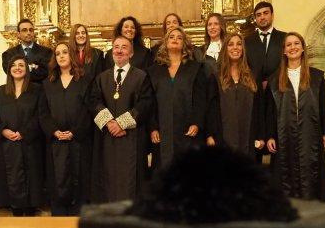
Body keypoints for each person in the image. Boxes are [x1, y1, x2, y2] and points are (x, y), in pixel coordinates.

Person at [265, 32, 325, 202]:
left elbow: (323, 106)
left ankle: (312, 209)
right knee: (285, 172)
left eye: (296, 44)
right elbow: (270, 111)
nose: (292, 47)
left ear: (302, 49)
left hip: (310, 130)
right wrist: (270, 135)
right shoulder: (274, 79)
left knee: (310, 168)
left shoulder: (316, 77)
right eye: (288, 45)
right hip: (284, 132)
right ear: (284, 51)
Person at [89, 36, 154, 202]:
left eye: (124, 47)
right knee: (107, 179)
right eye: (116, 47)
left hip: (132, 139)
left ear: (131, 53)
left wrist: (121, 123)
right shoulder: (101, 78)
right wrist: (109, 122)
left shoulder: (141, 77)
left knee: (130, 181)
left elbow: (145, 104)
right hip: (107, 139)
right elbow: (93, 101)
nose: (119, 50)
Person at [39, 42, 93, 216]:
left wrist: (74, 132)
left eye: (65, 52)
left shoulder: (84, 80)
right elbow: (43, 113)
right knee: (58, 181)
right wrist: (54, 131)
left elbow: (88, 110)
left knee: (79, 181)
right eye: (57, 54)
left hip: (78, 141)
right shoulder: (48, 83)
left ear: (72, 55)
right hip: (56, 143)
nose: (61, 56)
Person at [147, 27, 207, 168]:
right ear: (165, 42)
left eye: (179, 38)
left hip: (187, 129)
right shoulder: (153, 71)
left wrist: (196, 122)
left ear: (184, 44)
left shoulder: (195, 68)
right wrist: (153, 127)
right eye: (171, 37)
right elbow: (150, 102)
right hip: (162, 131)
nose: (175, 39)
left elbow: (200, 99)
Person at [0, 55, 44, 216]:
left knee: (31, 184)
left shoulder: (37, 90)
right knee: (12, 185)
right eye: (13, 65)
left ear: (27, 69)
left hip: (30, 144)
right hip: (7, 146)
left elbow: (40, 115)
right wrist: (3, 131)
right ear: (9, 70)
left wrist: (24, 132)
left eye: (21, 65)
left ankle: (30, 215)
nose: (17, 68)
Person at [206, 33, 265, 158]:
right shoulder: (216, 76)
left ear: (243, 49)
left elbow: (260, 108)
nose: (235, 47)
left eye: (239, 44)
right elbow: (211, 109)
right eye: (231, 44)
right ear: (225, 49)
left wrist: (261, 136)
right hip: (223, 137)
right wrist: (210, 135)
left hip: (249, 137)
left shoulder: (253, 75)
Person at [244, 1, 286, 92]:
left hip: (279, 89)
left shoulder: (284, 38)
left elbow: (287, 63)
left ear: (272, 15)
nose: (262, 17)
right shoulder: (246, 41)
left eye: (265, 13)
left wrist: (273, 81)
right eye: (258, 15)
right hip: (254, 90)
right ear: (255, 18)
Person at [2, 19, 53, 83]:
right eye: (24, 30)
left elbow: (45, 72)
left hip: (39, 90)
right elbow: (10, 73)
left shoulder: (46, 52)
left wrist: (22, 70)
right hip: (16, 90)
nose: (28, 33)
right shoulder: (9, 54)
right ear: (18, 34)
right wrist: (34, 67)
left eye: (31, 30)